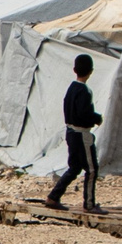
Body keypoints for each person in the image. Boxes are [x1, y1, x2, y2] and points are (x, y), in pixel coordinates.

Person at [44, 53, 103, 212]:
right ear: (91, 71)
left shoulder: (71, 89)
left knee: (74, 167)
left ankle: (53, 197)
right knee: (91, 169)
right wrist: (97, 118)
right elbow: (84, 114)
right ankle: (89, 205)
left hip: (70, 132)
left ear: (74, 69)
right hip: (82, 134)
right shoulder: (85, 91)